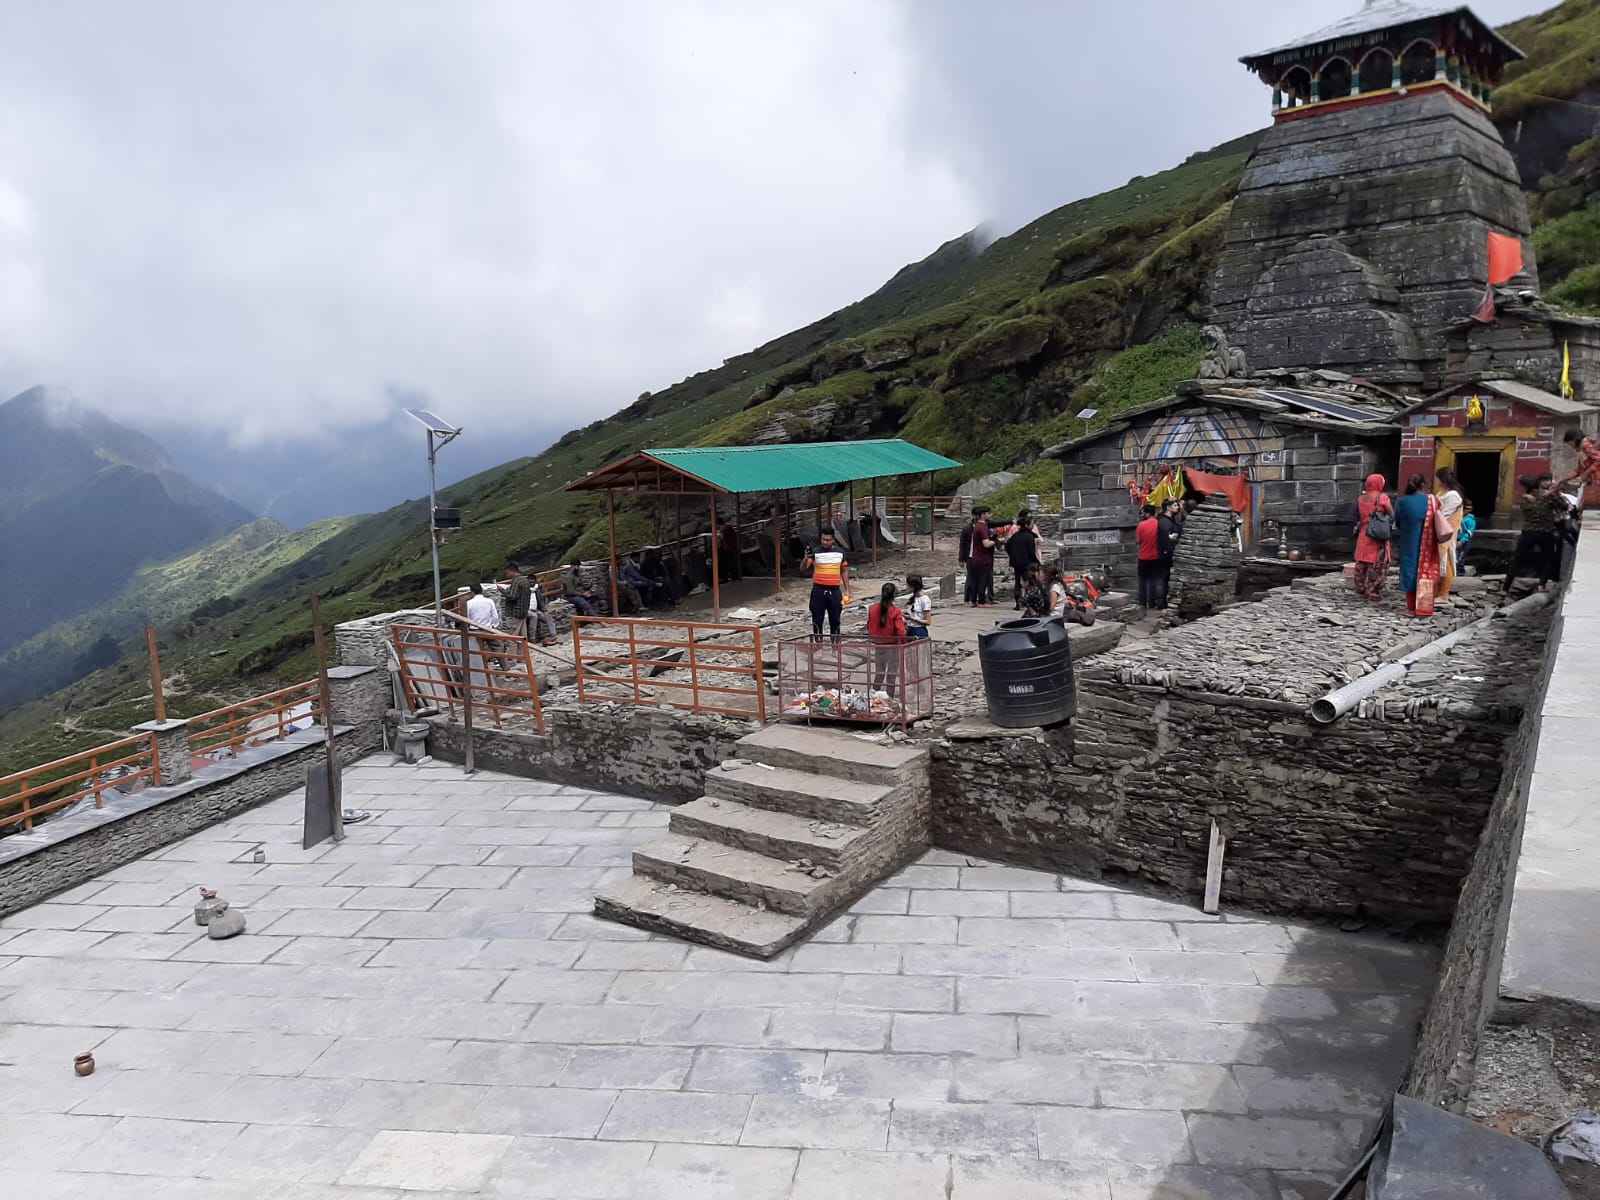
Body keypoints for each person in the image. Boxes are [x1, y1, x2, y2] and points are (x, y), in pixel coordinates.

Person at [1394, 473, 1444, 617]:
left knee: (1410, 569)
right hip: (1428, 542)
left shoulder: (1403, 502)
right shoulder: (1433, 500)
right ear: (1423, 485)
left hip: (1409, 539)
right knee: (1426, 570)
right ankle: (1424, 606)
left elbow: (1397, 521)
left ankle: (1411, 607)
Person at [1504, 474, 1561, 595]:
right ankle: (1541, 585)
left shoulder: (1524, 499)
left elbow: (1525, 511)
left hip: (1528, 531)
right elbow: (1564, 506)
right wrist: (1555, 493)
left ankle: (1506, 587)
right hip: (1545, 532)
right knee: (1547, 559)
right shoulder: (1548, 497)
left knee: (1517, 559)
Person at [1352, 474, 1393, 602]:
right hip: (1377, 535)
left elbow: (1358, 516)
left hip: (1364, 534)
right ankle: (1373, 590)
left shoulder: (1360, 499)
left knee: (1362, 562)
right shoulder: (1382, 498)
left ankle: (1362, 588)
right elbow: (1391, 514)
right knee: (1376, 562)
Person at [803, 528, 848, 639]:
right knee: (817, 620)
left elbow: (844, 571)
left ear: (833, 539)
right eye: (823, 539)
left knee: (836, 620)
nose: (825, 542)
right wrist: (805, 559)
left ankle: (835, 646)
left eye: (828, 540)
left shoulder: (840, 552)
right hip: (818, 590)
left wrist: (847, 590)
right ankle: (818, 646)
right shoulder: (815, 552)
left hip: (835, 591)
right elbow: (804, 568)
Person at [866, 581, 906, 695]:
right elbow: (901, 632)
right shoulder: (896, 611)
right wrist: (903, 642)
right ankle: (889, 697)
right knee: (892, 674)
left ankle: (874, 694)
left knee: (879, 672)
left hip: (878, 644)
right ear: (894, 596)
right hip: (893, 646)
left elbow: (869, 626)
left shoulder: (872, 608)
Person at [1435, 467, 1464, 603]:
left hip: (1446, 533)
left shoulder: (1453, 495)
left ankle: (1444, 594)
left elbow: (1444, 514)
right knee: (1439, 561)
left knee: (1446, 562)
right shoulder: (1442, 492)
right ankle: (1438, 590)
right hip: (1437, 531)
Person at [1006, 508, 1041, 610]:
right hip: (1027, 563)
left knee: (1018, 582)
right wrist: (1036, 562)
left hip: (1016, 563)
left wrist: (1013, 555)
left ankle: (1018, 603)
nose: (1032, 526)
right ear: (1027, 525)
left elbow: (1007, 546)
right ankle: (1030, 603)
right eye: (1031, 524)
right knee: (1030, 582)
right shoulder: (1029, 537)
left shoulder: (1015, 536)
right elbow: (1031, 551)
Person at [1153, 499, 1183, 610]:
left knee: (1164, 578)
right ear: (1168, 507)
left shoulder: (1170, 521)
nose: (1177, 507)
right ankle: (1161, 603)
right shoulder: (1165, 522)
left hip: (1166, 554)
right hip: (1164, 555)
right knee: (1162, 579)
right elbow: (1165, 540)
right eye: (1175, 505)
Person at [966, 505, 996, 607]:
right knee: (982, 580)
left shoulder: (977, 526)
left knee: (975, 580)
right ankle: (981, 601)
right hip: (983, 558)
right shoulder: (982, 527)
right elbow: (986, 544)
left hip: (976, 557)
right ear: (983, 515)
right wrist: (995, 541)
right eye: (989, 513)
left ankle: (973, 600)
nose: (991, 515)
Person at [1559, 428, 1600, 496]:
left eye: (1570, 444)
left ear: (1574, 440)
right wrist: (1563, 480)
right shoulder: (1583, 451)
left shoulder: (1587, 447)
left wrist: (1587, 472)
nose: (1571, 446)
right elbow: (1579, 470)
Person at [1135, 504, 1160, 610]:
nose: (1142, 514)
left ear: (1147, 513)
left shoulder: (1141, 525)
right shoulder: (1159, 524)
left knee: (1143, 581)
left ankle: (1142, 603)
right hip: (1156, 556)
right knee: (1154, 581)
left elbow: (1137, 541)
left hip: (1143, 557)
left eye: (1143, 512)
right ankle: (1152, 602)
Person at [503, 563, 533, 638]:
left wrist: (503, 591)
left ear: (512, 571)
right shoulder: (525, 580)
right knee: (523, 637)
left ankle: (512, 650)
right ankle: (523, 650)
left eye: (508, 572)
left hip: (514, 614)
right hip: (523, 613)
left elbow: (513, 596)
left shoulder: (516, 581)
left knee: (512, 638)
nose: (507, 574)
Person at [529, 573, 559, 644]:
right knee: (534, 617)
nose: (532, 584)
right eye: (530, 582)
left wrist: (545, 611)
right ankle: (532, 638)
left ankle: (553, 636)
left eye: (533, 582)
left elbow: (541, 601)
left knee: (549, 618)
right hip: (528, 610)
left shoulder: (537, 590)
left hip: (536, 610)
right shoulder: (524, 590)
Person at [903, 574, 932, 639]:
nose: (907, 587)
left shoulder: (925, 600)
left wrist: (912, 618)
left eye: (907, 585)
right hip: (910, 629)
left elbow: (928, 621)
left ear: (912, 586)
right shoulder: (913, 598)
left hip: (919, 630)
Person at [1456, 501, 1476, 573]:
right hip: (1455, 539)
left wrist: (1462, 541)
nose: (1467, 510)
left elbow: (1469, 532)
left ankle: (1461, 573)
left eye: (1469, 509)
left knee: (1461, 558)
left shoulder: (1470, 520)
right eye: (1465, 508)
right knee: (1455, 558)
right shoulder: (1456, 516)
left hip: (1464, 540)